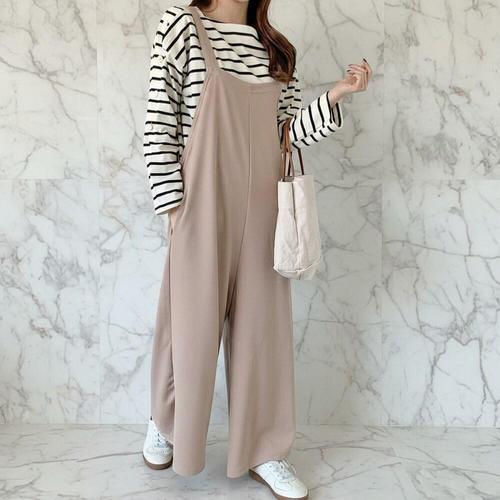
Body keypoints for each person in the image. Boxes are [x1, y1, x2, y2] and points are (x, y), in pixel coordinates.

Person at [141, 1, 372, 498]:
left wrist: (336, 95)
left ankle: (265, 449)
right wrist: (173, 208)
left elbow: (285, 135)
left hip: (265, 205)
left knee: (263, 330)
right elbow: (160, 121)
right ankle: (166, 421)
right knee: (190, 323)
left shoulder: (275, 48)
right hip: (201, 200)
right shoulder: (182, 25)